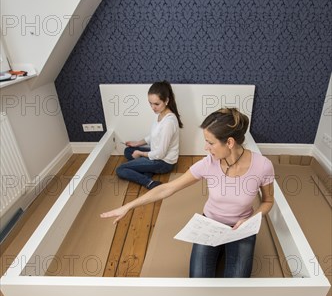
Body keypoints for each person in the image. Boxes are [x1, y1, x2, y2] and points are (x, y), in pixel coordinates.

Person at [101, 107, 274, 278]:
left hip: (241, 229)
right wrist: (129, 206)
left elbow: (267, 201)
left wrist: (250, 220)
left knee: (237, 285)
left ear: (229, 142)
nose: (205, 147)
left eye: (210, 142)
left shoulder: (262, 166)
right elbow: (167, 188)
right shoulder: (208, 163)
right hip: (210, 225)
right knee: (198, 280)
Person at [116, 81, 183, 190]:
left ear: (166, 101)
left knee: (120, 170)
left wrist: (140, 153)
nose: (153, 107)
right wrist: (137, 143)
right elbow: (154, 135)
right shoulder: (161, 113)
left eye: (156, 104)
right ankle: (147, 170)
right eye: (150, 103)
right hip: (155, 154)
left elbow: (160, 154)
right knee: (128, 151)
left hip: (163, 162)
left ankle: (149, 182)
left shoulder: (169, 122)